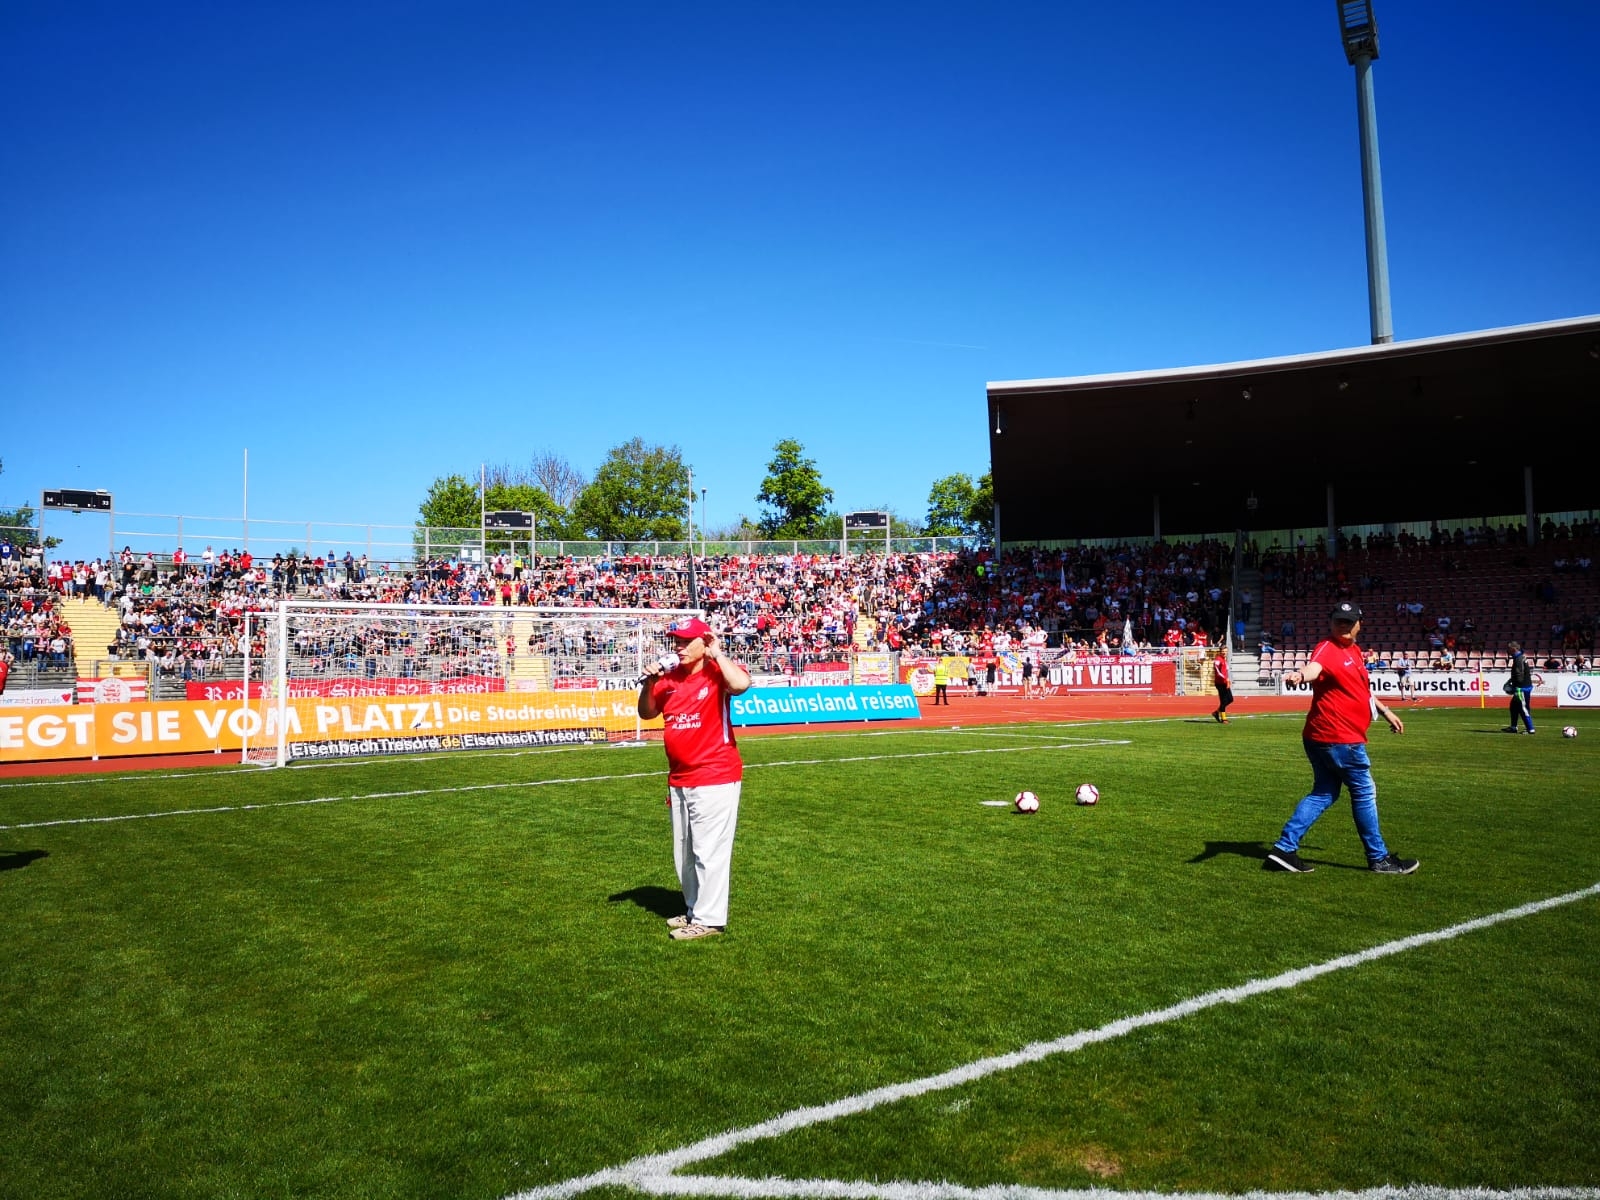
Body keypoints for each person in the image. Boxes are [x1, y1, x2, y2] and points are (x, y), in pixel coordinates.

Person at [1266, 601, 1418, 875]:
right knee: (1364, 792)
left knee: (1324, 792)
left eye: (1348, 621)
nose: (1343, 626)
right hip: (1339, 738)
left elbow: (1360, 691)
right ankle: (1378, 858)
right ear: (1330, 622)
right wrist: (1300, 675)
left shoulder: (1355, 651)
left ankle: (1283, 850)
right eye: (1339, 620)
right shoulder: (1328, 648)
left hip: (1324, 736)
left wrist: (1386, 711)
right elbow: (1314, 668)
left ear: (1360, 623)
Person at [637, 617, 753, 941]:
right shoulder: (668, 678)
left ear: (705, 642)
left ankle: (710, 919)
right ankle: (693, 909)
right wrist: (649, 682)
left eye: (687, 640)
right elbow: (647, 713)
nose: (679, 646)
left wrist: (717, 653)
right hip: (679, 778)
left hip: (715, 774)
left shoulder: (717, 672)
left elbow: (741, 685)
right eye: (676, 640)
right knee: (685, 852)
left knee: (709, 851)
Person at [1504, 640, 1536, 734]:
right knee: (1513, 706)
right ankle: (1513, 727)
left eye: (1509, 649)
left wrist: (1514, 687)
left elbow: (1519, 675)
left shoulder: (1518, 659)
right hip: (1523, 686)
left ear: (1513, 649)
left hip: (1521, 688)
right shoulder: (1521, 657)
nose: (1508, 651)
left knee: (1523, 708)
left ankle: (1530, 729)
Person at [1211, 649, 1233, 724]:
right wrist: (1226, 679)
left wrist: (1228, 680)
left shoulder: (1224, 659)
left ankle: (1216, 712)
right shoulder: (1218, 660)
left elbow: (1226, 672)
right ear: (1220, 651)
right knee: (1223, 700)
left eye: (1226, 651)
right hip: (1220, 683)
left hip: (1225, 682)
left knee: (1230, 699)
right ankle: (1224, 719)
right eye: (1223, 651)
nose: (1224, 652)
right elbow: (1217, 672)